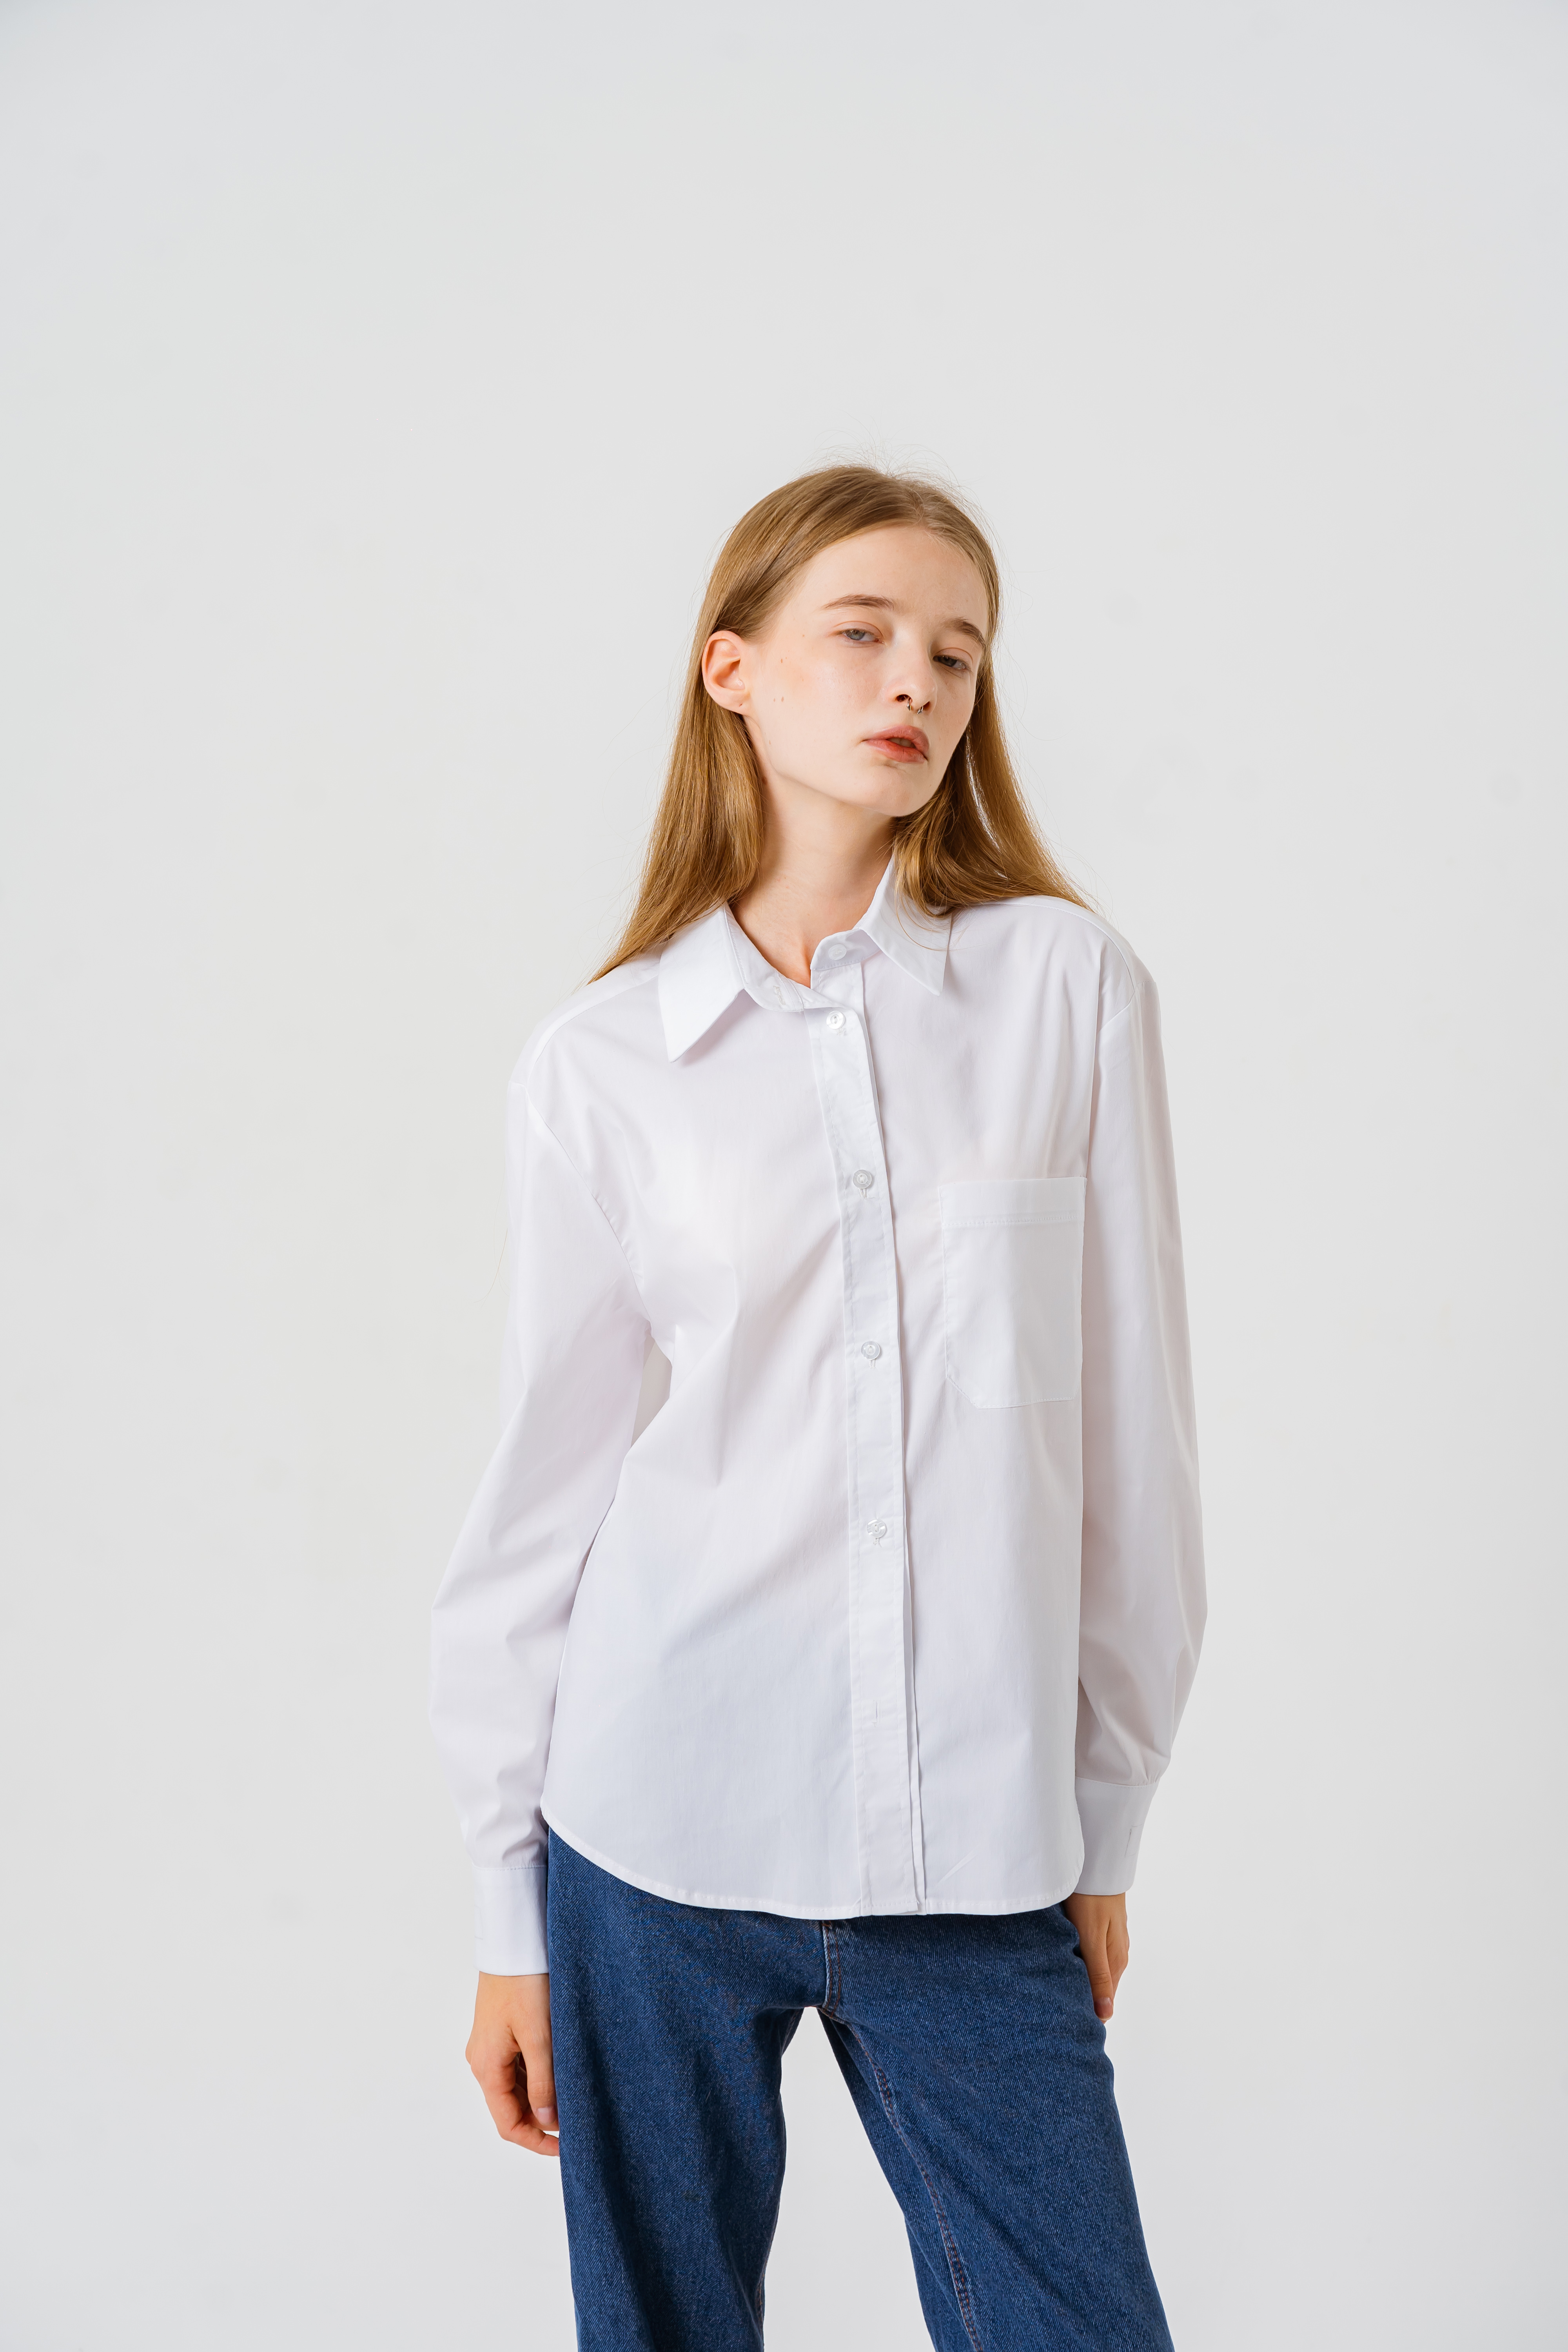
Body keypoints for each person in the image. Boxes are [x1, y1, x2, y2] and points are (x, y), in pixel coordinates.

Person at [429, 464, 1205, 2350]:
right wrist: (510, 1914)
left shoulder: (1064, 990)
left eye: (956, 652)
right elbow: (541, 1496)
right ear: (733, 670)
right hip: (651, 1834)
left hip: (977, 1848)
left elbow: (1134, 1453)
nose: (915, 681)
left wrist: (1102, 1822)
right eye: (861, 634)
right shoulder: (601, 1065)